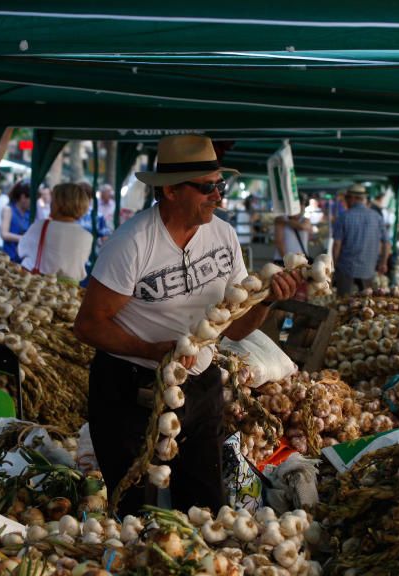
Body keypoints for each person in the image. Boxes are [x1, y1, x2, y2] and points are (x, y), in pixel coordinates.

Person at [73, 135, 299, 515]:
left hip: (199, 387)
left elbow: (237, 328)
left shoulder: (224, 236)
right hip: (131, 388)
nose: (219, 197)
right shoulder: (132, 242)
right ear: (172, 191)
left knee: (205, 503)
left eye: (220, 185)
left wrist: (270, 299)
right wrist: (152, 350)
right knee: (133, 508)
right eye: (207, 187)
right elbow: (88, 325)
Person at [18, 183, 94, 283]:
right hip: (68, 291)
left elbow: (21, 250)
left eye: (53, 201)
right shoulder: (87, 236)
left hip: (36, 284)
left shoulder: (40, 226)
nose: (50, 204)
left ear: (59, 204)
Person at [331, 183, 387, 295]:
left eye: (346, 198)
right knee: (365, 304)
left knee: (343, 305)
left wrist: (334, 265)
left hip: (346, 269)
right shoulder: (377, 217)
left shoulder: (343, 217)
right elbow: (386, 243)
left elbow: (337, 245)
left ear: (353, 198)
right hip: (368, 270)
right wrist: (383, 263)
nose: (345, 201)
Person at [0, 181, 32, 261]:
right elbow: (4, 234)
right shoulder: (8, 210)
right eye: (31, 199)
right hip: (9, 258)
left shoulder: (30, 214)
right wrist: (23, 238)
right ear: (23, 197)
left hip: (24, 260)